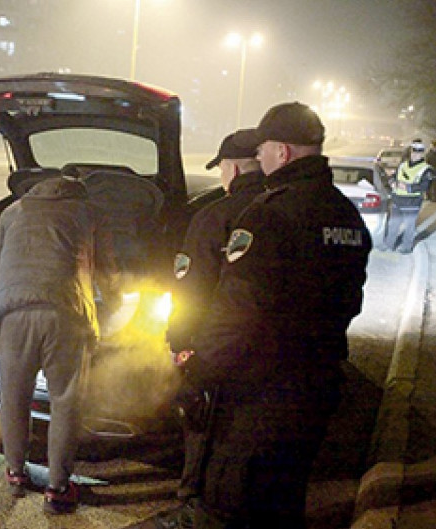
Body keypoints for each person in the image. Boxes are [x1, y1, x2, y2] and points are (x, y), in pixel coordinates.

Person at [178, 102, 371, 528]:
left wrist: (200, 370)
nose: (260, 160)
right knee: (284, 500)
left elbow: (239, 310)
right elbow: (349, 302)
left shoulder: (270, 214)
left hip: (261, 393)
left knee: (229, 503)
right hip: (318, 384)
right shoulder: (346, 215)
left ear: (281, 152)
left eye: (264, 150)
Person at [0, 173, 120, 515]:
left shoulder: (13, 210)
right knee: (66, 400)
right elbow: (107, 271)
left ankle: (15, 472)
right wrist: (113, 306)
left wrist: (10, 290)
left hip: (12, 315)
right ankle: (58, 487)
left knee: (13, 396)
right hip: (66, 315)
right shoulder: (90, 213)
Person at [159, 132, 265, 529]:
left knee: (202, 426)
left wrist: (179, 341)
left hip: (216, 345)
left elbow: (191, 289)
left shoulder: (215, 216)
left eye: (222, 167)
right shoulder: (283, 208)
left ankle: (193, 506)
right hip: (273, 351)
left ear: (234, 168)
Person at [383, 138, 436, 253]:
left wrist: (407, 187)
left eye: (418, 152)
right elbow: (395, 176)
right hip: (397, 200)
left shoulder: (426, 169)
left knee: (409, 227)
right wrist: (392, 182)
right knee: (393, 225)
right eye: (413, 151)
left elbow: (424, 186)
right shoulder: (403, 165)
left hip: (412, 203)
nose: (415, 154)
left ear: (422, 154)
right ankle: (389, 245)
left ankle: (406, 248)